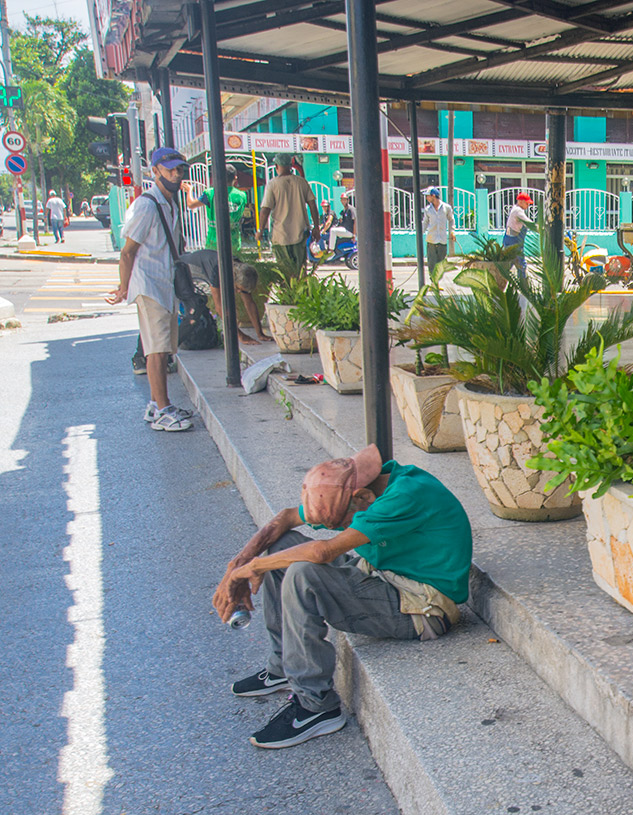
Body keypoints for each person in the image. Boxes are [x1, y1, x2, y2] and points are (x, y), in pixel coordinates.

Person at [212, 445, 472, 749]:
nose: (345, 527)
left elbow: (323, 551)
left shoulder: (405, 495)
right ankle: (283, 666)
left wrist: (251, 569)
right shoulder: (366, 484)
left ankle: (315, 707)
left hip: (421, 607)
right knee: (281, 547)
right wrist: (238, 564)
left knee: (302, 573)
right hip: (379, 576)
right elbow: (284, 519)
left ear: (361, 497)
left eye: (344, 521)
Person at [105, 147, 194, 432]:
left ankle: (158, 405)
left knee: (165, 346)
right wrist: (123, 286)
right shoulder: (147, 205)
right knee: (155, 350)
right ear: (155, 172)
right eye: (170, 170)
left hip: (163, 281)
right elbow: (127, 252)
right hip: (150, 283)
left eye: (179, 170)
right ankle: (163, 410)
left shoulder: (170, 202)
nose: (176, 175)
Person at [260, 153, 319, 278]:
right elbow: (313, 205)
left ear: (276, 166)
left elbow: (265, 210)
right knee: (301, 271)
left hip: (281, 235)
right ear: (290, 166)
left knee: (285, 273)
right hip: (300, 233)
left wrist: (260, 231)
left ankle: (288, 296)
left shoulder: (273, 184)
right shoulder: (301, 182)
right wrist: (316, 227)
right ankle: (301, 296)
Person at [185, 163, 246, 255]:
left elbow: (191, 204)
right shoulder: (242, 195)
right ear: (235, 178)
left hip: (213, 242)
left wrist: (189, 190)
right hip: (234, 242)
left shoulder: (210, 193)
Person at [502, 192, 535, 279]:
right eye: (527, 203)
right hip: (514, 240)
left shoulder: (515, 209)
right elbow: (528, 223)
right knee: (521, 264)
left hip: (508, 238)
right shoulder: (518, 211)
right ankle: (523, 285)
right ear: (520, 202)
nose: (528, 205)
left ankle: (499, 279)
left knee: (509, 263)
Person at [422, 186, 454, 273]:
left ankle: (437, 283)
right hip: (431, 240)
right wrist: (420, 232)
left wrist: (452, 232)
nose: (427, 198)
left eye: (428, 196)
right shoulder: (428, 209)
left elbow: (451, 220)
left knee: (440, 265)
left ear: (433, 196)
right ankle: (434, 283)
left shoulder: (446, 208)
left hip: (442, 240)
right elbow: (425, 222)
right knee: (432, 263)